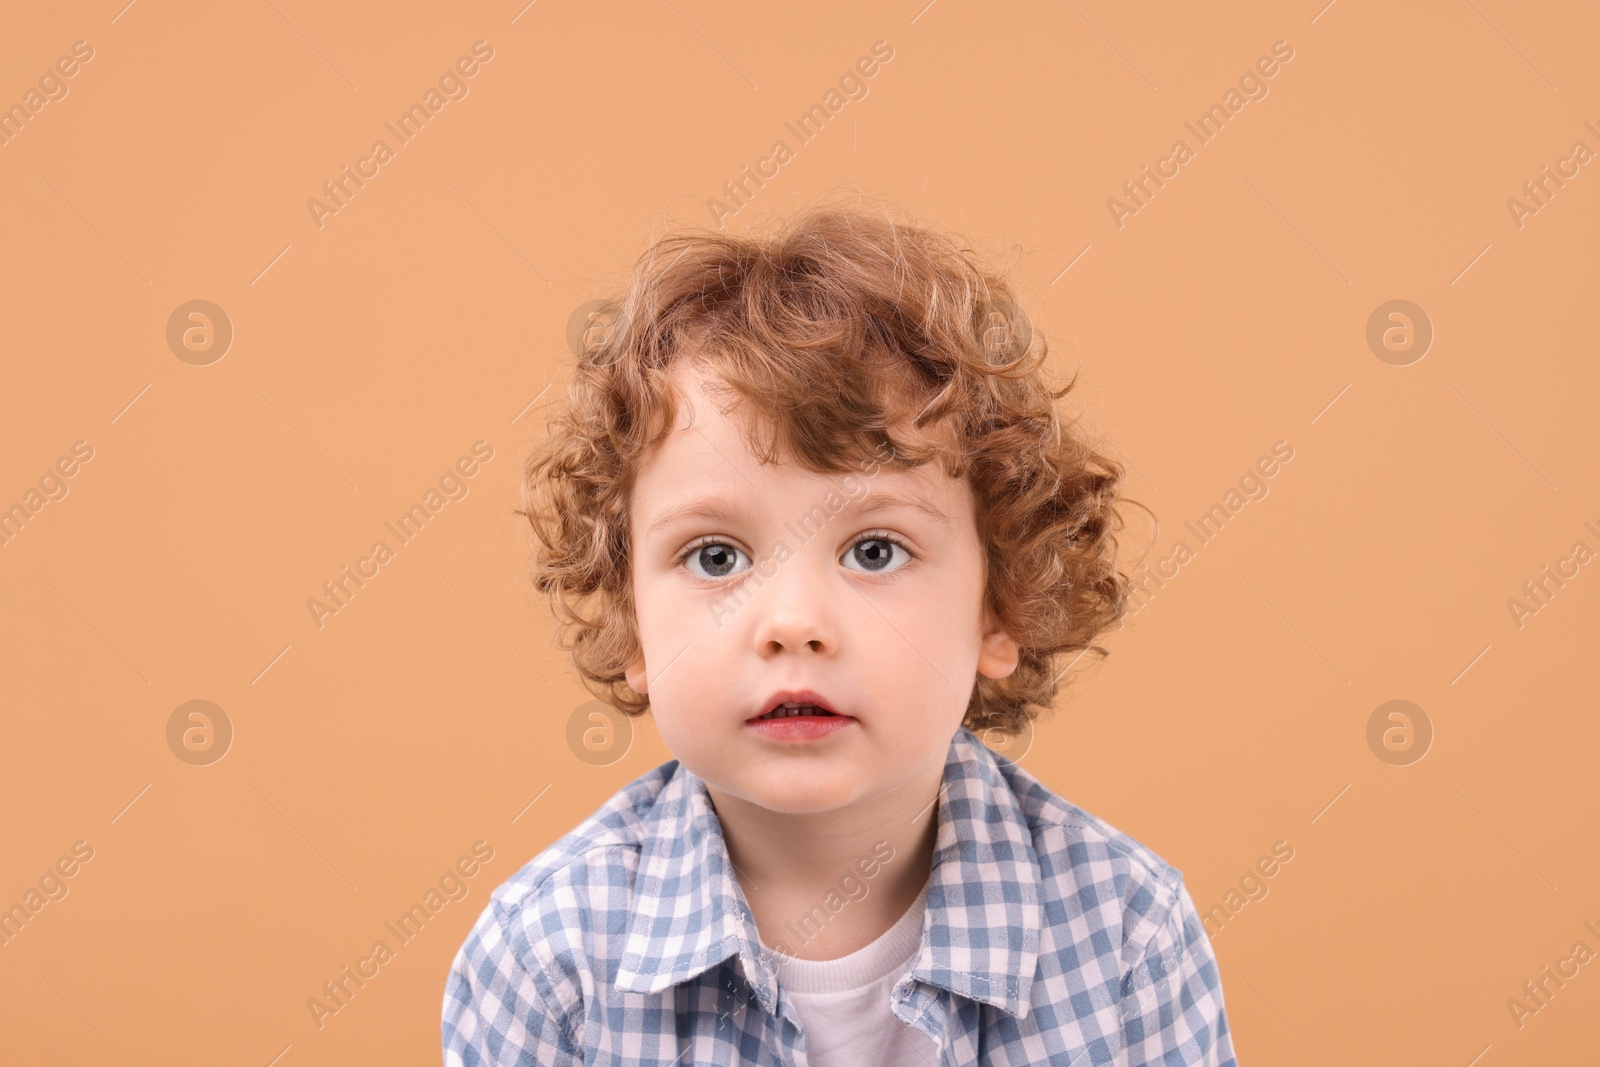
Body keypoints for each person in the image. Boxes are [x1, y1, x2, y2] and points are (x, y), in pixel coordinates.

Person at [442, 195, 1238, 1065]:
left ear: (1000, 605)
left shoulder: (1126, 935)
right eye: (715, 557)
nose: (793, 624)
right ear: (632, 621)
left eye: (873, 549)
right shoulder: (548, 964)